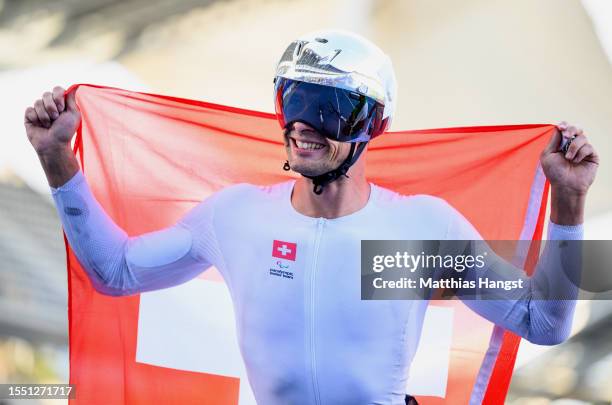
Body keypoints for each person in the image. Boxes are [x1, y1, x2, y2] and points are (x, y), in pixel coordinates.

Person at [25, 30, 598, 405]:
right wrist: (56, 159)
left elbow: (543, 324)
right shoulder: (239, 217)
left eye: (324, 107)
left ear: (373, 124)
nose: (300, 123)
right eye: (290, 99)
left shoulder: (418, 231)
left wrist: (569, 205)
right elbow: (116, 272)